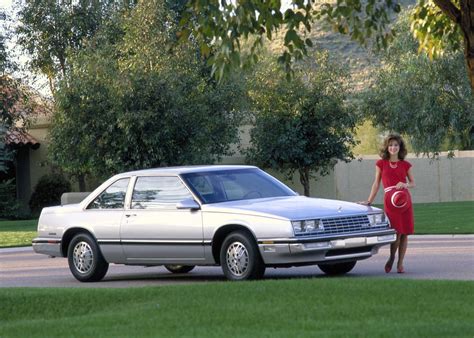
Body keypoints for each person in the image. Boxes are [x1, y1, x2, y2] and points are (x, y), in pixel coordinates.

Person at [361, 133, 415, 273]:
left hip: (404, 200)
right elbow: (376, 183)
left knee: (405, 233)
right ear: (387, 147)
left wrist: (404, 184)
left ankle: (400, 263)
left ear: (400, 147)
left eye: (396, 145)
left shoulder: (405, 164)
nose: (393, 147)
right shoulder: (381, 164)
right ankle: (391, 258)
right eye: (390, 145)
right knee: (397, 232)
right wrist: (369, 200)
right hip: (390, 201)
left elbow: (413, 183)